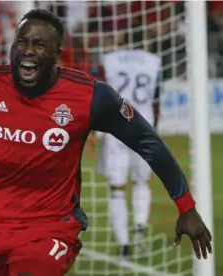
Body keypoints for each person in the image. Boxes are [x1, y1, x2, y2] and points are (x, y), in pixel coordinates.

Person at [0, 9, 212, 276]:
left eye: (39, 44)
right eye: (22, 41)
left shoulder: (90, 95)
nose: (28, 50)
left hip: (50, 228)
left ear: (58, 54)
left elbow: (148, 142)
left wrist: (186, 207)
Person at [97, 30, 162, 257]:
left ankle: (124, 243)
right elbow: (156, 99)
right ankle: (140, 228)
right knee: (141, 181)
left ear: (123, 40)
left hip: (116, 129)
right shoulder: (154, 62)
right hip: (144, 127)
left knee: (117, 188)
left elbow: (100, 95)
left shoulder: (109, 60)